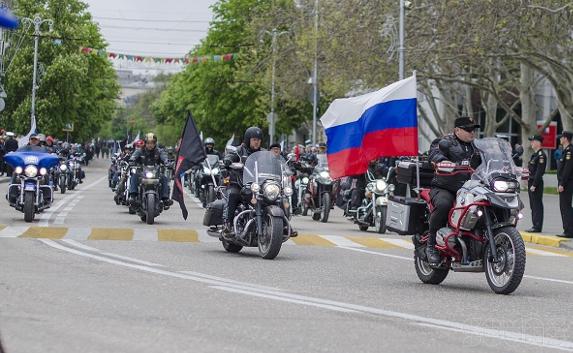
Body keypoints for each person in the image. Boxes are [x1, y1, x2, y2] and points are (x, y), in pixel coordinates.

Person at [426, 117, 482, 265]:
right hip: (445, 187)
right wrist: (442, 161)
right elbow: (433, 153)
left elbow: (488, 160)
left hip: (470, 189)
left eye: (473, 129)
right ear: (457, 130)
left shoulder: (476, 146)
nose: (472, 133)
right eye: (468, 129)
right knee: (444, 204)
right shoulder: (444, 142)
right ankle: (431, 245)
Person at [222, 127, 264, 236]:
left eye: (259, 140)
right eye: (254, 139)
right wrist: (228, 160)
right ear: (248, 139)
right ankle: (228, 224)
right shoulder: (239, 150)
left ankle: (284, 225)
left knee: (276, 196)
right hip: (239, 183)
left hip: (258, 185)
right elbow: (231, 155)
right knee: (233, 194)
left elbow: (273, 162)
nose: (257, 142)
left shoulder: (263, 153)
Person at [128, 133, 173, 207]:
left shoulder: (159, 151)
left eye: (152, 143)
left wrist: (167, 162)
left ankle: (165, 198)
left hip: (155, 173)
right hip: (142, 173)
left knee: (164, 178)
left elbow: (164, 158)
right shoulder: (140, 151)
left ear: (155, 143)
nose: (150, 145)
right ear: (145, 143)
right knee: (134, 175)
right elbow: (133, 157)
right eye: (148, 143)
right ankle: (133, 196)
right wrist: (132, 160)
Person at [526, 135, 546, 233]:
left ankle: (537, 226)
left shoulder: (541, 155)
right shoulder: (535, 155)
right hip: (531, 182)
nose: (531, 143)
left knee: (537, 205)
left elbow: (539, 172)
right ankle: (535, 224)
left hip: (536, 184)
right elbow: (531, 169)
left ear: (538, 142)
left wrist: (534, 184)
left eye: (533, 141)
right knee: (533, 205)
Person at [557, 131, 573, 238]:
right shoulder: (565, 151)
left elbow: (567, 169)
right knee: (564, 207)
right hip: (564, 183)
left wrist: (562, 184)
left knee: (565, 207)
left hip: (567, 184)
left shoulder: (569, 151)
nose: (560, 139)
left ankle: (568, 231)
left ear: (566, 139)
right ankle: (567, 229)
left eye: (561, 137)